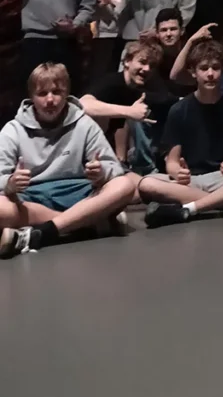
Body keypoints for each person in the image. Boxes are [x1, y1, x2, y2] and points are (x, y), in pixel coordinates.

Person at [0, 62, 134, 259]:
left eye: (57, 92)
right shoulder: (13, 130)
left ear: (66, 94)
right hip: (32, 199)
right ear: (31, 97)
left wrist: (101, 173)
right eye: (42, 93)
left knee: (124, 185)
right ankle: (88, 223)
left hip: (80, 194)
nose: (50, 100)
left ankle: (43, 232)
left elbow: (113, 168)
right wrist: (11, 183)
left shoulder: (84, 124)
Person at [137, 40, 223, 227]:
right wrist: (178, 173)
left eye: (216, 68)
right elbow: (172, 162)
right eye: (204, 68)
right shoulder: (179, 109)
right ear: (193, 72)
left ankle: (190, 208)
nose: (210, 74)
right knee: (146, 183)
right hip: (191, 181)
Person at [80, 40, 174, 181]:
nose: (147, 69)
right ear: (127, 62)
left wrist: (120, 158)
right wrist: (130, 111)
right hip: (79, 156)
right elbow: (83, 104)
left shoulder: (131, 90)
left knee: (146, 184)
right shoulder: (112, 82)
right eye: (142, 62)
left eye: (152, 65)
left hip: (98, 159)